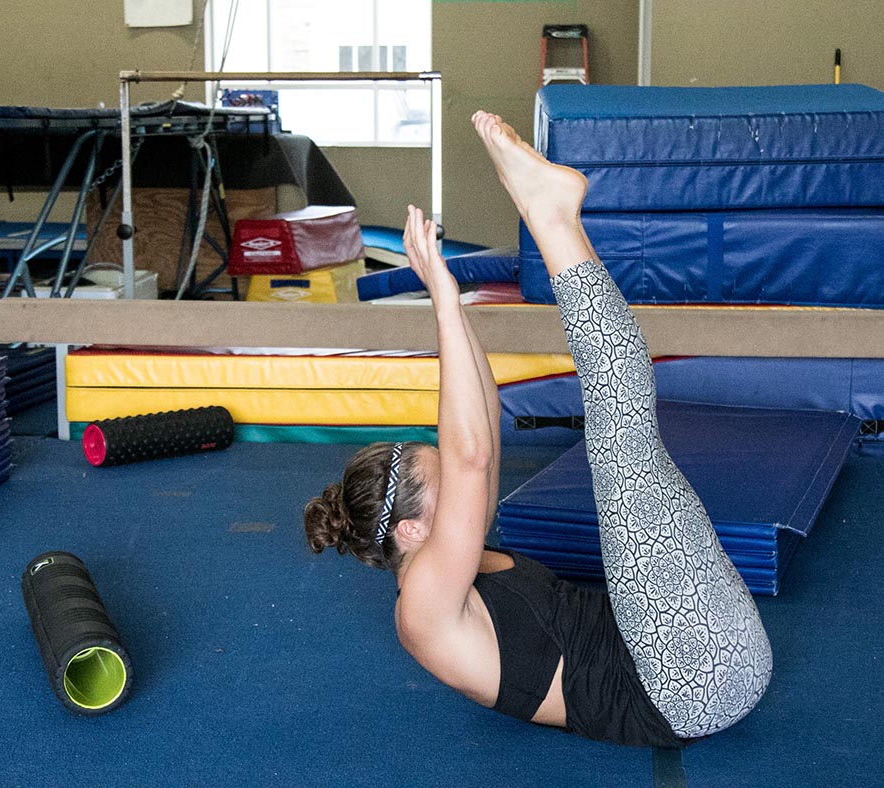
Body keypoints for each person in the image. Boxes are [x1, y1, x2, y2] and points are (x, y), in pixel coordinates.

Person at [304, 111, 772, 747]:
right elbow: (469, 458)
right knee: (622, 428)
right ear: (409, 528)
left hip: (707, 650)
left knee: (627, 432)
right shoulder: (422, 609)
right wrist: (441, 299)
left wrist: (449, 303)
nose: (462, 479)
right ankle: (551, 216)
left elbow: (483, 435)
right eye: (442, 479)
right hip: (686, 688)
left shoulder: (456, 557)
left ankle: (548, 212)